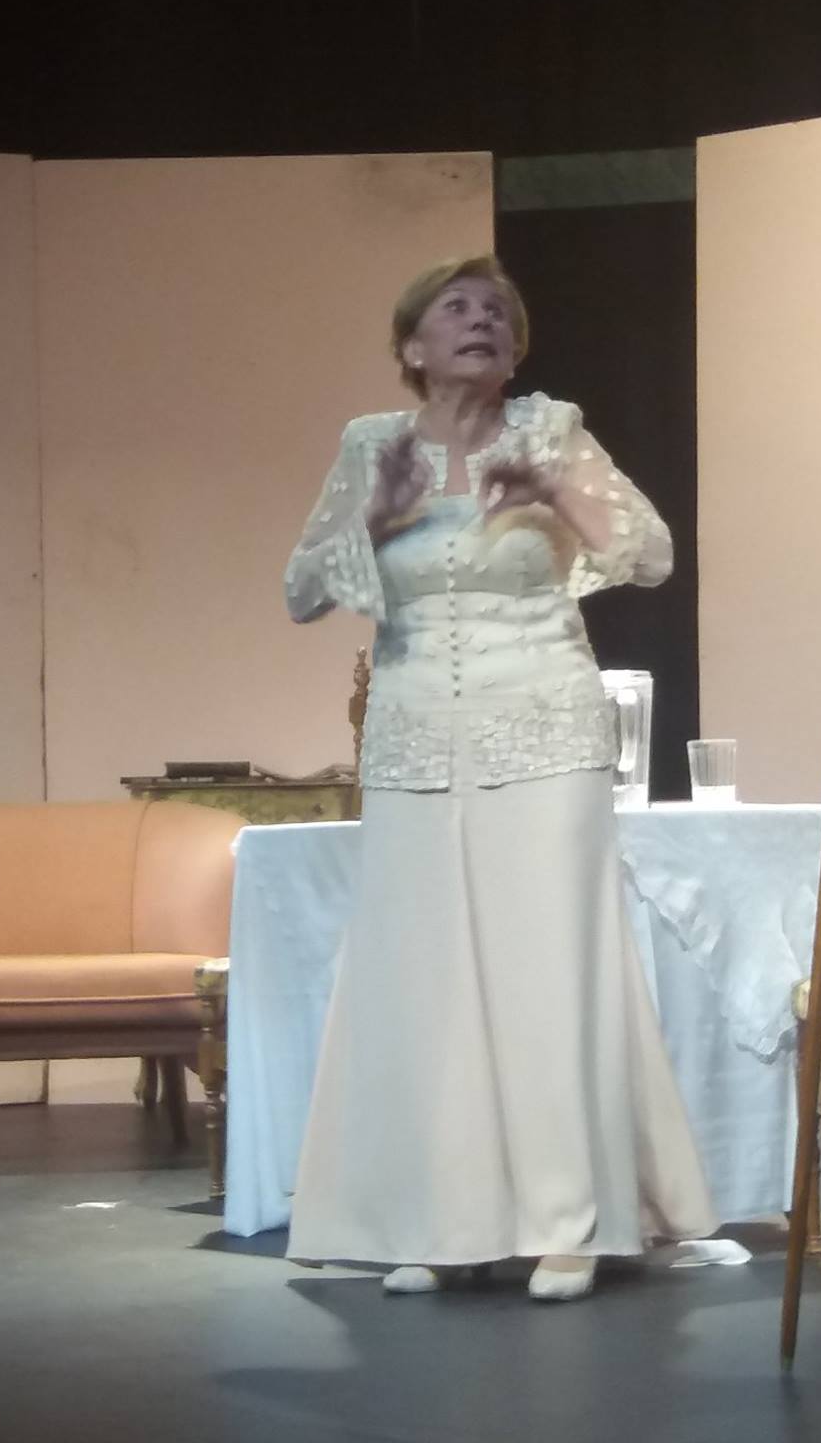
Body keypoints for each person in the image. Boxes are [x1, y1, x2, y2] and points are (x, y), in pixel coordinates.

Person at [282, 254, 716, 1301]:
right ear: (412, 345)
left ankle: (570, 1222)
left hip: (543, 726)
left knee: (549, 967)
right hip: (414, 735)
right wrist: (375, 518)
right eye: (456, 307)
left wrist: (555, 488)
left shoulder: (549, 429)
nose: (480, 320)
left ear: (514, 348)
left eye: (497, 312)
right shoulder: (371, 446)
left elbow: (652, 554)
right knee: (424, 977)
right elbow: (301, 591)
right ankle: (443, 1222)